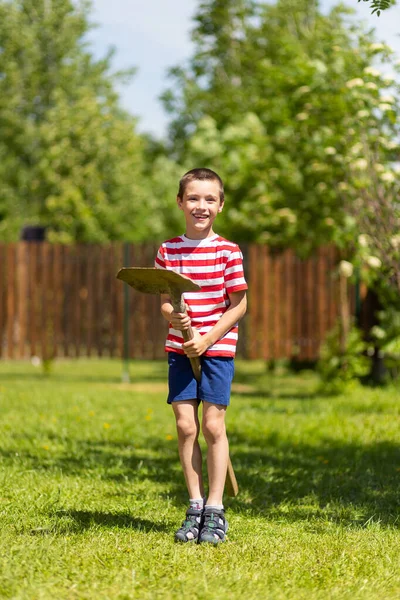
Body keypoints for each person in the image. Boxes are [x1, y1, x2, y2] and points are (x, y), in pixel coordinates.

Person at [155, 168, 247, 544]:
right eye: (193, 198)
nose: (201, 206)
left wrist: (206, 339)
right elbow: (164, 301)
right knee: (186, 426)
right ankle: (194, 505)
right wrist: (173, 317)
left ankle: (215, 509)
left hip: (217, 347)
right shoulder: (168, 250)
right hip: (180, 347)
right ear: (180, 202)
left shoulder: (228, 251)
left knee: (212, 426)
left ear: (221, 205)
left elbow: (238, 305)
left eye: (210, 199)